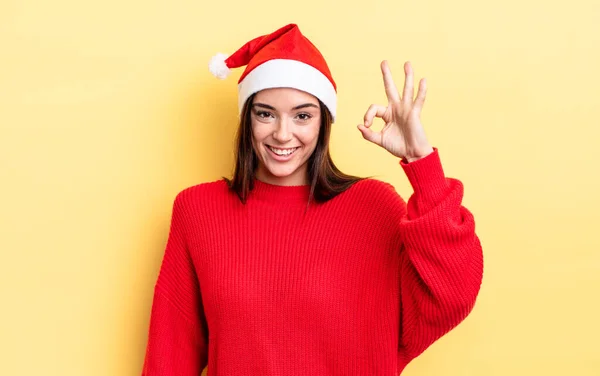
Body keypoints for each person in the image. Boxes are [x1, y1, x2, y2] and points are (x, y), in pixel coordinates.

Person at [141, 23, 484, 376]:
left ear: (323, 122)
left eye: (302, 115)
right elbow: (170, 354)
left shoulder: (373, 207)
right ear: (247, 118)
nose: (282, 133)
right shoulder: (198, 211)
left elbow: (452, 294)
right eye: (265, 113)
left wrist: (420, 158)